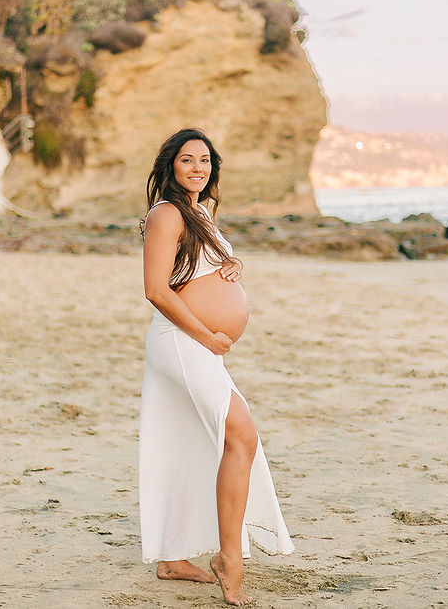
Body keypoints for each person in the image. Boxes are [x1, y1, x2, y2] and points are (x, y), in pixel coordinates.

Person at [139, 128, 294, 605]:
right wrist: (206, 335)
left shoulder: (200, 213)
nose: (198, 168)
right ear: (170, 167)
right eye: (187, 160)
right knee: (240, 435)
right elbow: (156, 289)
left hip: (197, 344)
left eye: (205, 161)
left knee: (192, 442)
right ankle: (230, 557)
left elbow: (206, 267)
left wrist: (233, 265)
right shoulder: (166, 214)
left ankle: (173, 556)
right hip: (183, 343)